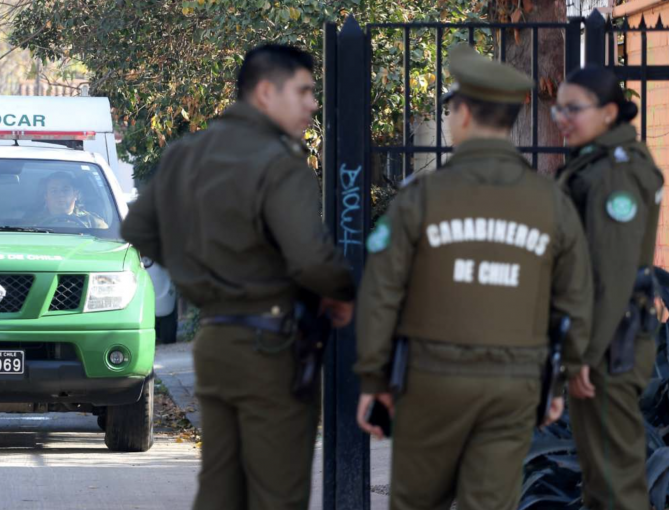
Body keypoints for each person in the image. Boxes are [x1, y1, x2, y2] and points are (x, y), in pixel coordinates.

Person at [354, 45, 593, 510]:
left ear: (462, 114)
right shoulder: (551, 203)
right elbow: (576, 299)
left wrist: (374, 379)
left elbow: (381, 293)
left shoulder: (420, 198)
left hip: (431, 381)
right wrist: (560, 379)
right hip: (514, 385)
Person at [121, 44, 355, 510]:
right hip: (270, 347)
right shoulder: (280, 163)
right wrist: (344, 293)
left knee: (220, 488)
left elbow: (136, 228)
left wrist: (195, 274)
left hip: (215, 339)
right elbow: (310, 260)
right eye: (304, 91)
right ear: (267, 92)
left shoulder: (187, 153)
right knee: (278, 493)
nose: (312, 103)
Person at [554, 66, 664, 510]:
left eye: (573, 108)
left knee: (616, 482)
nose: (561, 116)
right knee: (601, 477)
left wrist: (582, 351)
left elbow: (612, 275)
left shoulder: (614, 173)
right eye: (558, 106)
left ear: (609, 112)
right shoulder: (597, 161)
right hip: (603, 339)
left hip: (608, 344)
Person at [28, 172, 107, 228]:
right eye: (54, 191)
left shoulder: (92, 223)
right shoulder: (32, 224)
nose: (60, 194)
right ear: (46, 196)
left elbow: (107, 242)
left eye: (65, 190)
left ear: (75, 194)